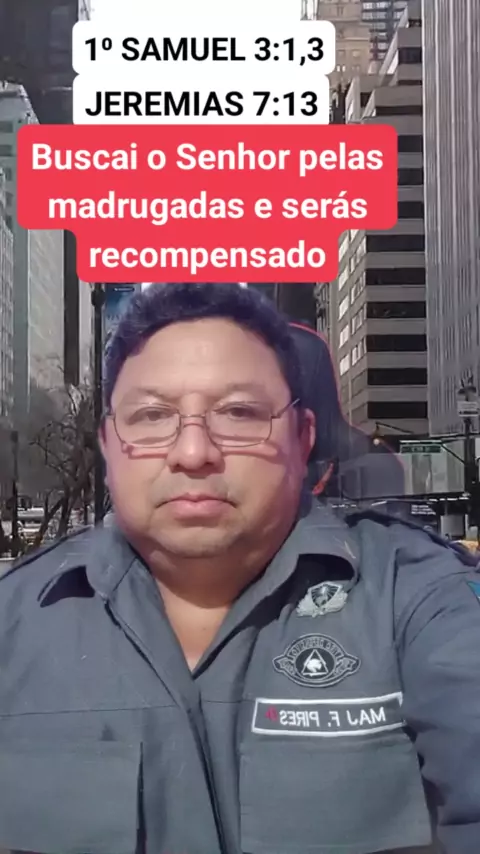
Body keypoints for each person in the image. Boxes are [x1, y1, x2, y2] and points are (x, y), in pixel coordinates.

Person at [0, 282, 479, 854]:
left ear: (302, 438)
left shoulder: (420, 598)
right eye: (151, 415)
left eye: (239, 413)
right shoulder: (13, 622)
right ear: (107, 444)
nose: (193, 452)